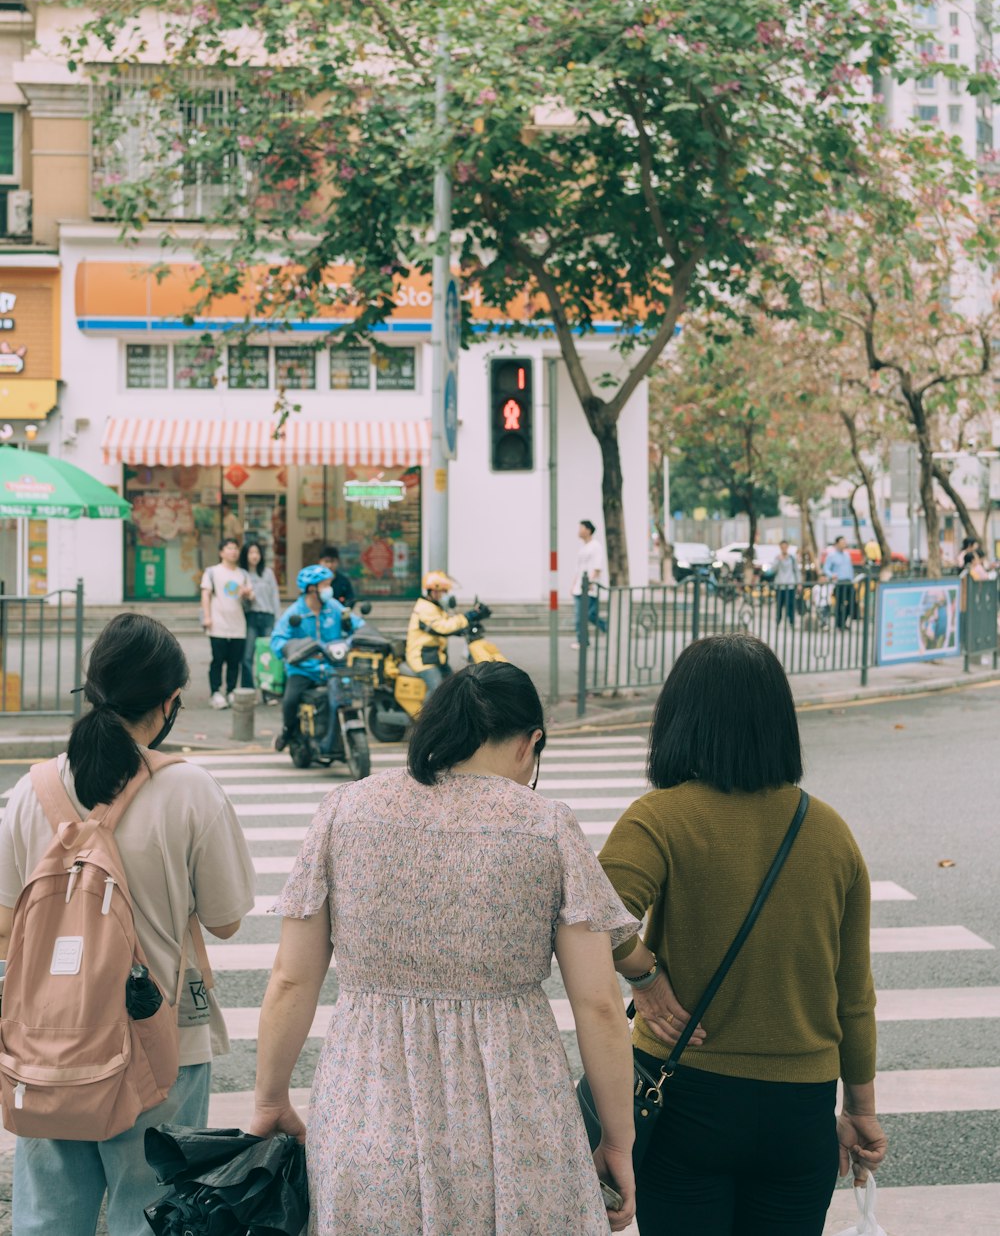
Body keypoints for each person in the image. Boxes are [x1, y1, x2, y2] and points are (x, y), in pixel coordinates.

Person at [249, 662, 639, 1234]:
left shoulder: (346, 811)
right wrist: (617, 1142)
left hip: (368, 1115)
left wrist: (269, 1099)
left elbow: (291, 979)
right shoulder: (546, 827)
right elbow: (600, 1004)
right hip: (518, 1124)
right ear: (531, 743)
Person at [599, 634, 887, 1236]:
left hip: (684, 1095)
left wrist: (644, 975)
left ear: (679, 719)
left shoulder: (661, 817)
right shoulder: (830, 833)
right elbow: (853, 994)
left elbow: (593, 913)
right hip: (799, 1109)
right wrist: (860, 1108)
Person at [0, 613, 255, 1236]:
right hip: (159, 1039)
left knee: (47, 1217)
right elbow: (225, 920)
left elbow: (6, 925)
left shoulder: (29, 793)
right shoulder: (190, 790)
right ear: (169, 703)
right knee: (150, 1214)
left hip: (49, 1044)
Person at [272, 565, 364, 754]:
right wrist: (291, 649)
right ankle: (287, 732)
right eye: (325, 585)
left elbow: (357, 624)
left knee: (349, 697)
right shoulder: (294, 613)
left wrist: (362, 635)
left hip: (334, 666)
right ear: (311, 589)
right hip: (305, 669)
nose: (329, 589)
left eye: (328, 584)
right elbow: (277, 640)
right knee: (290, 701)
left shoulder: (334, 607)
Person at [405, 569, 484, 694]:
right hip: (423, 659)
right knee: (437, 692)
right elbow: (443, 627)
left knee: (454, 685)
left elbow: (447, 624)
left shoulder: (435, 607)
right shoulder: (425, 608)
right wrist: (468, 616)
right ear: (433, 591)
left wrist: (462, 628)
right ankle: (426, 714)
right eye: (444, 591)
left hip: (435, 657)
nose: (446, 595)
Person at [200, 537, 252, 709]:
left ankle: (231, 691)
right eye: (229, 548)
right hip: (218, 625)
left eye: (236, 548)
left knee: (234, 661)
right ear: (221, 552)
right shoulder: (212, 572)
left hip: (238, 625)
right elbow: (205, 595)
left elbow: (251, 596)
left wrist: (247, 594)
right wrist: (207, 617)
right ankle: (215, 692)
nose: (233, 551)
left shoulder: (243, 574)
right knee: (217, 660)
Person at [239, 540, 282, 690]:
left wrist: (278, 619)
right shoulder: (241, 574)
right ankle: (248, 689)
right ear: (245, 555)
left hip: (267, 617)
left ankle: (269, 690)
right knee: (247, 656)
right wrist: (246, 598)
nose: (254, 556)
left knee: (268, 655)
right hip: (250, 617)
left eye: (257, 552)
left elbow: (275, 596)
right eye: (251, 552)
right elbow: (239, 602)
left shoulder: (268, 573)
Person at [572, 519, 608, 650]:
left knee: (587, 616)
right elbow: (578, 569)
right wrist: (573, 585)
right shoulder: (583, 548)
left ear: (587, 530)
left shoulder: (595, 546)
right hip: (579, 588)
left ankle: (606, 629)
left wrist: (591, 581)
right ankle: (584, 640)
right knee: (583, 616)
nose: (579, 530)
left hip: (589, 588)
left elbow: (597, 567)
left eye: (581, 528)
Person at [823, 535, 855, 631]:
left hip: (849, 582)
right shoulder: (831, 555)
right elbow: (826, 569)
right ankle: (839, 624)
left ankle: (843, 622)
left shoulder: (847, 555)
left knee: (852, 603)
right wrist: (831, 575)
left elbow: (850, 568)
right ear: (837, 544)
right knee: (839, 604)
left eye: (844, 543)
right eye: (842, 543)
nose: (844, 545)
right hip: (839, 583)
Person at [772, 540, 800, 626]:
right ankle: (778, 620)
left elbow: (796, 571)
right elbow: (774, 569)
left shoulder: (792, 558)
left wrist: (798, 583)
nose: (784, 548)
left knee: (790, 604)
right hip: (780, 585)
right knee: (779, 604)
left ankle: (791, 621)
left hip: (790, 585)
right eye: (782, 547)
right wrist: (779, 560)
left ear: (787, 547)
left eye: (785, 547)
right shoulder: (777, 558)